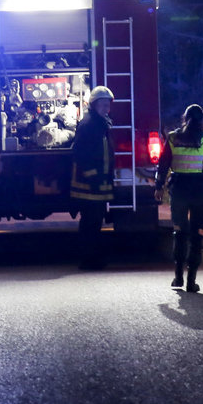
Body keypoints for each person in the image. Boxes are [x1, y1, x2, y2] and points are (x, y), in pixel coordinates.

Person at [155, 103, 203, 292]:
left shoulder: (172, 137)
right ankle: (191, 281)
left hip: (179, 190)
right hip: (200, 190)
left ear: (184, 118)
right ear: (202, 120)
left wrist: (159, 186)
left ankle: (178, 277)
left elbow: (163, 163)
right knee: (197, 234)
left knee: (179, 231)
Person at [71, 85, 116, 269]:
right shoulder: (89, 124)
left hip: (96, 183)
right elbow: (80, 153)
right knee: (90, 224)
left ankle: (92, 258)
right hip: (88, 186)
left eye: (108, 105)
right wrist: (92, 177)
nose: (106, 108)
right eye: (103, 105)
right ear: (94, 105)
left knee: (94, 223)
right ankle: (88, 260)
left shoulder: (99, 123)